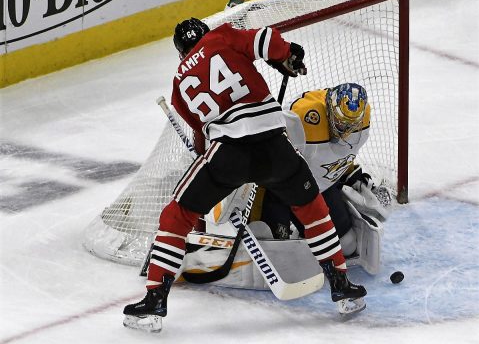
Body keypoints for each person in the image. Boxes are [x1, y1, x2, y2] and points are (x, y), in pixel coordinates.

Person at [123, 17, 366, 332]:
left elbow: (201, 138)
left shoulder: (179, 85)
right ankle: (342, 286)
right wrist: (287, 56)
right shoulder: (221, 37)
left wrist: (207, 165)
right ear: (205, 34)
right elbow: (267, 39)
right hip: (274, 147)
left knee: (176, 215)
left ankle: (154, 300)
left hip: (228, 154)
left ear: (181, 52)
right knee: (311, 207)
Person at [250, 83, 390, 274]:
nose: (346, 132)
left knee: (347, 245)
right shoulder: (303, 116)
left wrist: (352, 175)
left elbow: (339, 154)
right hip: (281, 191)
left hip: (317, 190)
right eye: (341, 124)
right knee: (273, 251)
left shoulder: (362, 119)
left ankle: (306, 233)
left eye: (351, 126)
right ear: (330, 110)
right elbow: (267, 152)